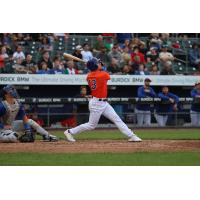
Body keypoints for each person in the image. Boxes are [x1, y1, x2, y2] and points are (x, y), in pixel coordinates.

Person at [64, 58, 141, 142]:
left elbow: (98, 70)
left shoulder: (89, 76)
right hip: (96, 104)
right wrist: (98, 65)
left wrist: (95, 65)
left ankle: (132, 136)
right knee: (91, 125)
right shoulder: (102, 74)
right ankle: (69, 132)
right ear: (95, 66)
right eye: (98, 63)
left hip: (103, 103)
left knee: (116, 119)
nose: (100, 63)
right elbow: (106, 73)